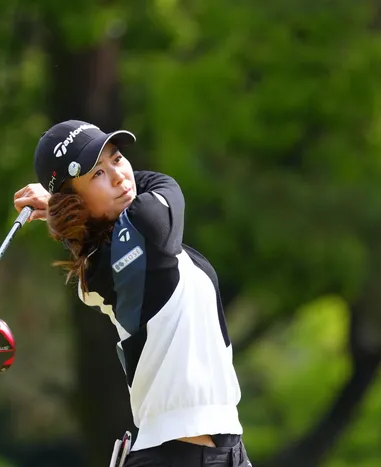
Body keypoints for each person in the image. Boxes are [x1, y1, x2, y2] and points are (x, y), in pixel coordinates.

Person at [13, 120, 252, 467]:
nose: (119, 176)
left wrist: (58, 204)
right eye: (97, 173)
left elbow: (95, 230)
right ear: (74, 202)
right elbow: (164, 184)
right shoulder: (146, 228)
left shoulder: (101, 267)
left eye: (117, 158)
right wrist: (58, 204)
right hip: (178, 456)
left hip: (227, 451)